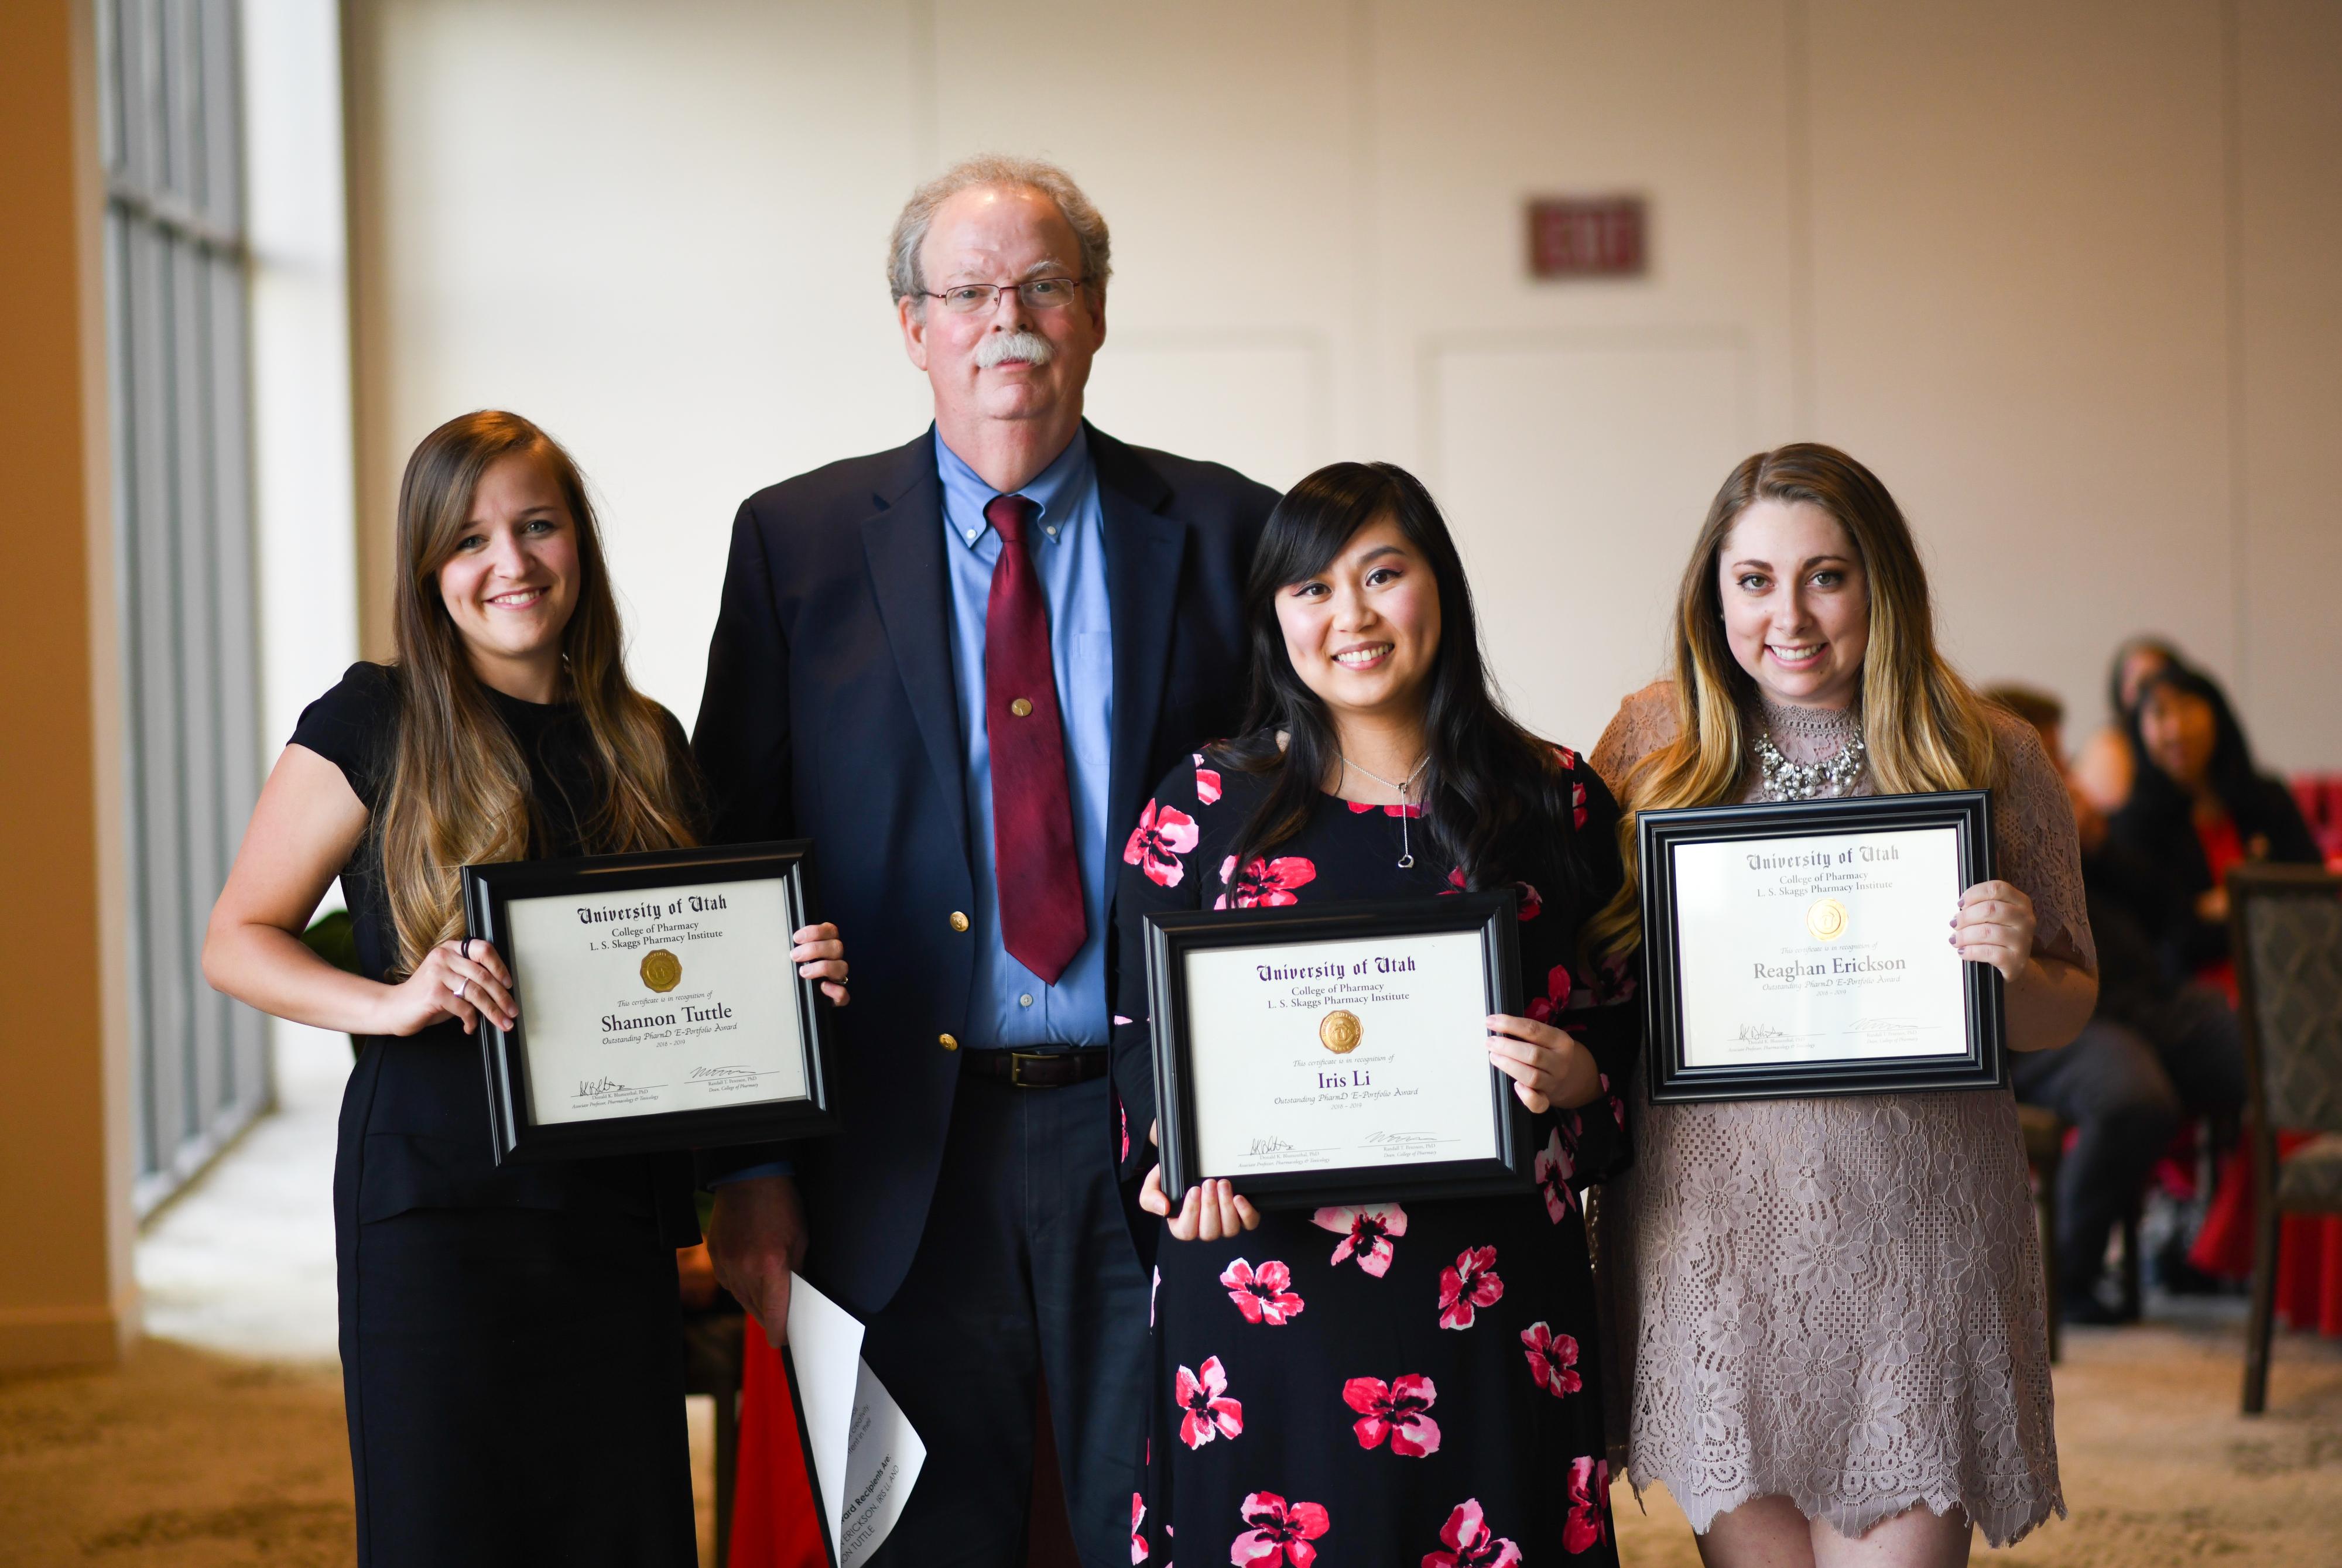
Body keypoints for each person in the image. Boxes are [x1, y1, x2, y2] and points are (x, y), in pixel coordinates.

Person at [691, 154, 1278, 1564]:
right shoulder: (798, 545)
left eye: (1042, 285)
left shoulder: (1224, 532)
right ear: (913, 327)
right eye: (967, 291)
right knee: (916, 1539)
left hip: (1149, 1141)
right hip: (899, 1138)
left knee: (1166, 1527)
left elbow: (1293, 835)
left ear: (1092, 313)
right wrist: (753, 1156)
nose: (1005, 318)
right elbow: (732, 852)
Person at [200, 410, 848, 1567]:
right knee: (452, 1528)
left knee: (620, 1527)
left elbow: (689, 964)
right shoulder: (373, 720)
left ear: (579, 543)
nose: (511, 562)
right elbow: (237, 937)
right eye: (470, 538)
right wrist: (391, 1001)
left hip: (612, 1218)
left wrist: (790, 972)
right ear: (427, 569)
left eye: (537, 524)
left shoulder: (645, 740)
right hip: (438, 1218)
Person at [1115, 461, 1633, 1564]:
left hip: (1489, 1293)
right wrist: (1169, 1158)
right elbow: (1140, 1040)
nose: (1349, 615)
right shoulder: (1203, 807)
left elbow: (1630, 1033)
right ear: (1273, 618)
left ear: (1438, 586)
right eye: (1311, 588)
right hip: (1264, 1297)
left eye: (1382, 574)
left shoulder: (1557, 798)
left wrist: (1584, 1076)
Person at [1590, 444, 2096, 1566]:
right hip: (1710, 1237)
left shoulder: (1990, 752)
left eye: (1827, 575)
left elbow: (2065, 1013)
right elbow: (1593, 976)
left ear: (1883, 584)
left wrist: (2017, 964)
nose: (1791, 616)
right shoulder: (1650, 744)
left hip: (1915, 1235)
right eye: (1755, 579)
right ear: (1713, 591)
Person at [1984, 684, 2246, 1324]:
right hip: (2059, 1020)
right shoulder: (1980, 819)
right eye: (2043, 756)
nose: (2059, 772)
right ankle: (2065, 1278)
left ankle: (2207, 1247)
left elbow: (2170, 915)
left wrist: (2098, 846)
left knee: (2255, 1054)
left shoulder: (2091, 824)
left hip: (2146, 998)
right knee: (2133, 1095)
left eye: (2058, 757)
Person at [2107, 661, 2323, 991]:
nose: (2177, 729)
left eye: (2188, 708)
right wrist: (2253, 901)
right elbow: (2172, 936)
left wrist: (2222, 906)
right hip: (2196, 993)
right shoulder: (2134, 825)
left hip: (2295, 965)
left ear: (2217, 716)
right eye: (2160, 714)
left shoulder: (2266, 797)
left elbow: (2312, 887)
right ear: (2140, 730)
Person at [2070, 635, 2180, 815]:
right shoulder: (2110, 746)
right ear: (2120, 692)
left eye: (2159, 682)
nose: (2152, 696)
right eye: (2142, 685)